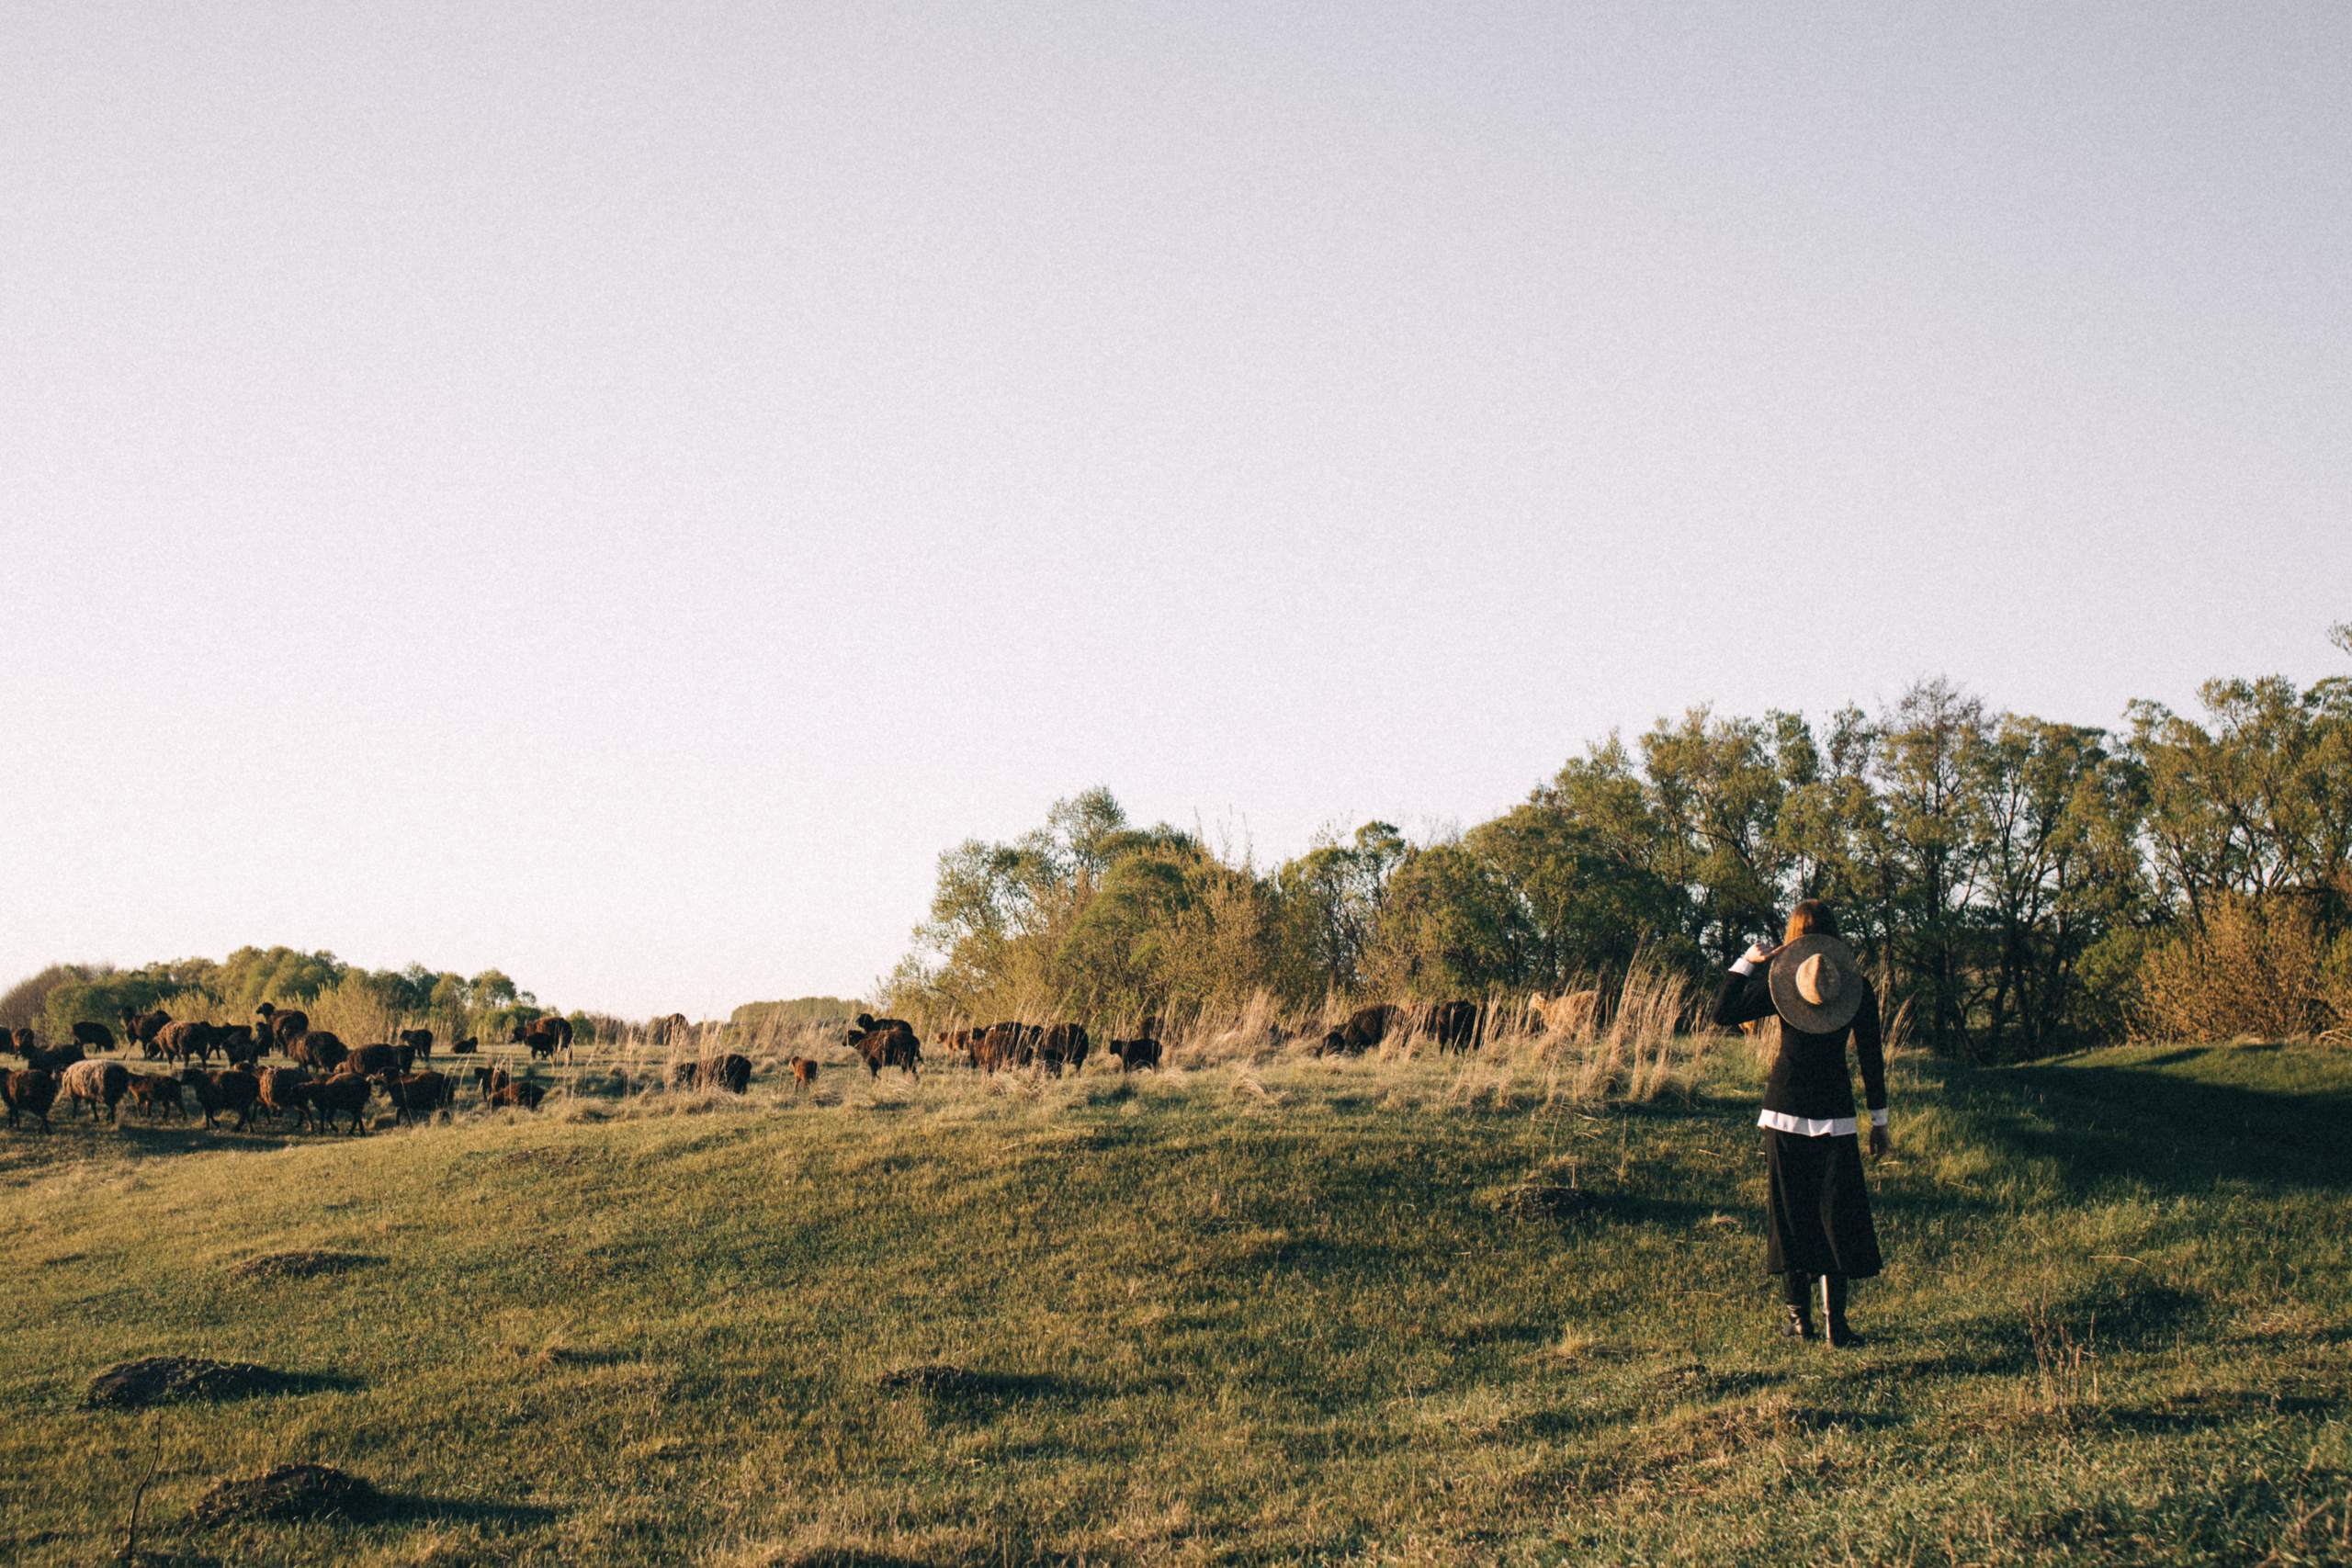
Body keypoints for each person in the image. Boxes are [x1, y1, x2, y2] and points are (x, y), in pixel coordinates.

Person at [1713, 899, 1887, 1348]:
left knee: (1790, 1216)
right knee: (1835, 1216)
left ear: (1794, 937)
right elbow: (1871, 1057)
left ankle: (1799, 1321)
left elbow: (1722, 1012)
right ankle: (1836, 1325)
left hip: (1784, 1108)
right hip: (1837, 1113)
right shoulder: (1855, 988)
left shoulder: (1785, 983)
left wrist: (1747, 963)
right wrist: (1879, 1122)